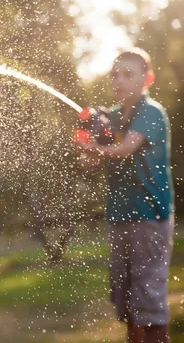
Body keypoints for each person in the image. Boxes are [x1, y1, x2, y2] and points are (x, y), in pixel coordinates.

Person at [77, 48, 175, 343]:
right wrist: (86, 139)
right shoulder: (113, 117)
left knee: (148, 297)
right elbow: (90, 160)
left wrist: (99, 149)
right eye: (114, 75)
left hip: (149, 217)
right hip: (120, 216)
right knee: (127, 299)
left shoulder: (151, 112)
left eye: (128, 74)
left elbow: (125, 148)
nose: (119, 80)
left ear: (148, 79)